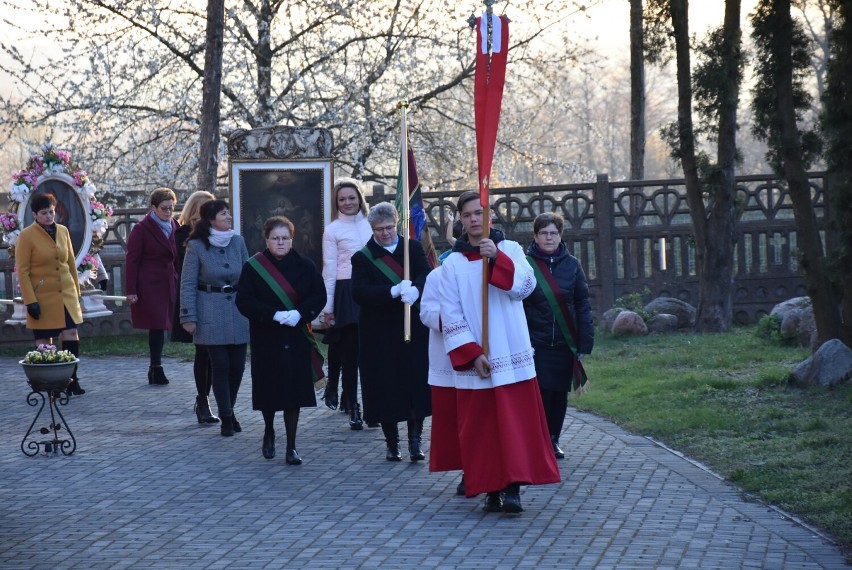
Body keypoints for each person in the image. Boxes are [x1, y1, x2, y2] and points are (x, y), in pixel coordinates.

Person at [433, 190, 560, 514]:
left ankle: (514, 488)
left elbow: (525, 288)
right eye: (468, 215)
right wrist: (473, 354)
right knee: (484, 428)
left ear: (489, 217)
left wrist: (497, 260)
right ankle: (490, 487)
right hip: (480, 360)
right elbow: (451, 315)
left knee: (514, 426)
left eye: (479, 213)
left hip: (511, 351)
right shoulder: (453, 266)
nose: (474, 220)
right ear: (461, 221)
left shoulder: (512, 250)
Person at [236, 216, 326, 464]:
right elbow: (243, 301)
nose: (280, 242)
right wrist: (272, 315)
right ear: (267, 239)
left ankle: (292, 446)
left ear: (292, 239)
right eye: (275, 238)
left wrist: (300, 313)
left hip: (296, 336)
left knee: (293, 393)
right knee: (269, 391)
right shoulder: (254, 267)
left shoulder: (305, 266)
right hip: (267, 336)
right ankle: (268, 430)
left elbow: (319, 296)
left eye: (285, 238)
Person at [351, 202, 432, 462]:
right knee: (385, 386)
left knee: (413, 384)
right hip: (379, 332)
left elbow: (425, 274)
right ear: (372, 230)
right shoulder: (362, 257)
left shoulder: (413, 248)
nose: (385, 233)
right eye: (379, 229)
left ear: (396, 224)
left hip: (412, 328)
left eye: (388, 228)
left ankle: (415, 440)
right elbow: (359, 292)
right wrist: (392, 291)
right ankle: (392, 442)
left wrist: (416, 289)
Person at [523, 212, 594, 459]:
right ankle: (539, 440)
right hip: (536, 342)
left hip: (565, 341)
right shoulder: (525, 264)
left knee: (558, 393)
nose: (549, 237)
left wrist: (585, 341)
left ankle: (554, 439)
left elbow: (582, 304)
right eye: (544, 233)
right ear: (535, 236)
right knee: (541, 392)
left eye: (554, 233)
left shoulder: (572, 265)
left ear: (561, 235)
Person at [179, 200, 250, 437]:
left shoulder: (238, 241)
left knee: (238, 368)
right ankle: (227, 417)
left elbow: (249, 276)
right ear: (211, 220)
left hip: (238, 312)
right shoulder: (196, 246)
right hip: (209, 310)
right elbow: (187, 283)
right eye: (223, 214)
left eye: (229, 213)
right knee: (221, 366)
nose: (229, 217)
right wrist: (188, 316)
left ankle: (228, 408)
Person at [15, 192, 85, 395]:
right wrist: (30, 301)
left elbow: (71, 263)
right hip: (42, 297)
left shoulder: (63, 231)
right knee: (46, 341)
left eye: (52, 212)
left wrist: (77, 293)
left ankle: (72, 379)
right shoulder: (26, 236)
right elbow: (23, 271)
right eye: (44, 213)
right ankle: (51, 383)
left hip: (66, 293)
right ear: (35, 214)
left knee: (71, 334)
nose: (49, 216)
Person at [320, 177, 372, 428]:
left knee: (371, 355)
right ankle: (353, 404)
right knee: (350, 354)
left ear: (360, 198)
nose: (348, 202)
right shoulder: (332, 230)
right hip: (346, 291)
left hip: (374, 289)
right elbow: (329, 270)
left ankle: (374, 404)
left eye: (352, 197)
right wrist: (328, 307)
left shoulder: (373, 225)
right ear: (336, 202)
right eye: (342, 199)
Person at [172, 190, 218, 424]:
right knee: (203, 352)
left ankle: (216, 399)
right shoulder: (183, 235)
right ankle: (203, 400)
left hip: (216, 298)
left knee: (215, 353)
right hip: (195, 296)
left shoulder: (218, 233)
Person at [125, 187, 180, 385]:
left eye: (171, 208)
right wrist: (131, 290)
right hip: (149, 283)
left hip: (169, 280)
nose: (168, 212)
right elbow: (132, 260)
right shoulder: (142, 229)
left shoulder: (175, 225)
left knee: (167, 324)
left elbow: (178, 255)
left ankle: (155, 367)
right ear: (154, 207)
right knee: (157, 325)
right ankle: (156, 367)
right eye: (164, 209)